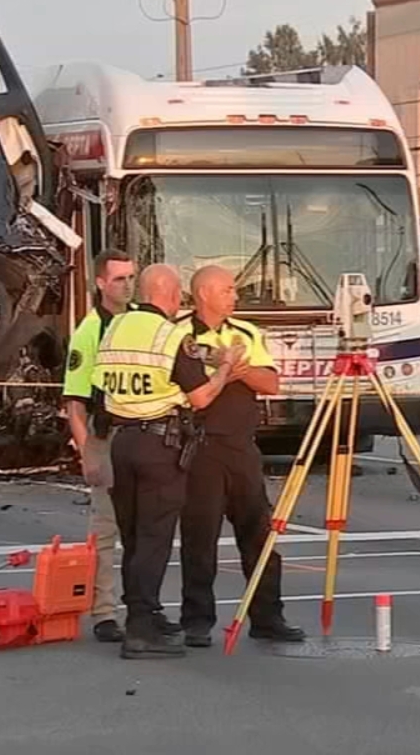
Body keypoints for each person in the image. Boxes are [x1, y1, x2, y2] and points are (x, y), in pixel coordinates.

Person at [93, 263, 237, 658]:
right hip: (159, 444)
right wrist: (225, 366)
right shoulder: (170, 334)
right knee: (155, 538)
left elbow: (99, 383)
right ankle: (141, 630)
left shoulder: (116, 328)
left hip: (121, 441)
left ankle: (145, 612)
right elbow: (201, 397)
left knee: (134, 536)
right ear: (171, 296)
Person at [176, 265, 307, 648]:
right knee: (200, 537)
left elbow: (270, 382)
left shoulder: (246, 333)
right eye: (227, 290)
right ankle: (196, 620)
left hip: (241, 445)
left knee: (259, 533)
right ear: (203, 293)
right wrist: (226, 369)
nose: (234, 296)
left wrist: (233, 368)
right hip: (199, 445)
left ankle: (268, 616)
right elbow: (188, 388)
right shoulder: (180, 334)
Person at [61, 248, 136, 644]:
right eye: (119, 278)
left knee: (144, 528)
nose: (127, 285)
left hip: (144, 433)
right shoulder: (90, 331)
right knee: (106, 529)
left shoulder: (143, 320)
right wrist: (87, 451)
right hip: (107, 435)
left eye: (130, 277)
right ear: (101, 283)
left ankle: (142, 607)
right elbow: (75, 401)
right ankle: (105, 611)